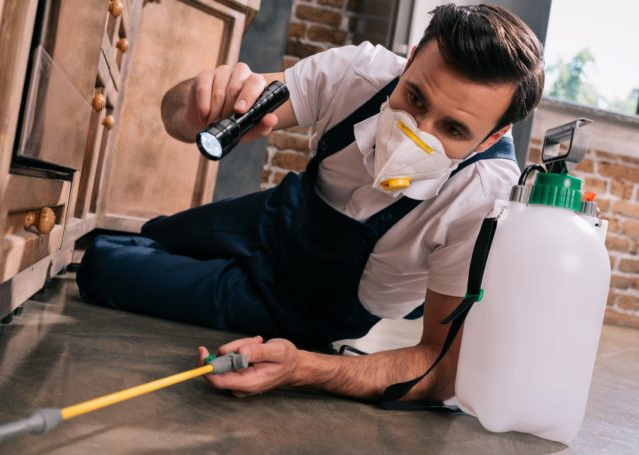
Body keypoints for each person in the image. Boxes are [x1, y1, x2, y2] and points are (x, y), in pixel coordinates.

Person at [77, 3, 544, 403]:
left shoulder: (484, 201)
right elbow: (180, 114)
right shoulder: (358, 74)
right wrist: (197, 103)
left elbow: (439, 368)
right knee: (151, 235)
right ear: (409, 60)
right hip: (277, 216)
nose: (415, 134)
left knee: (102, 265)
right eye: (414, 98)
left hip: (306, 305)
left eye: (454, 129)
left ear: (493, 137)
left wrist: (304, 368)